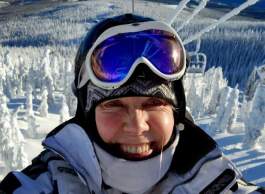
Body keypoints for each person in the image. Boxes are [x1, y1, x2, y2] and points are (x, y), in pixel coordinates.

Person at [0, 13, 264, 194]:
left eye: (153, 103)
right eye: (113, 105)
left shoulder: (218, 182)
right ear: (87, 115)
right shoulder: (48, 181)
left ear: (176, 111)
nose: (137, 125)